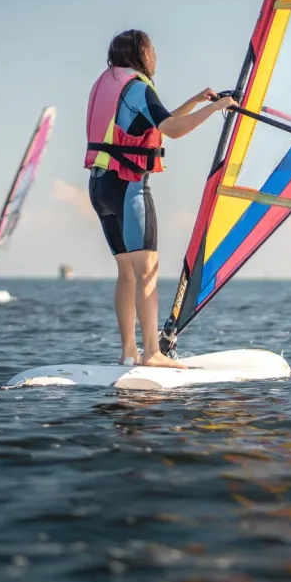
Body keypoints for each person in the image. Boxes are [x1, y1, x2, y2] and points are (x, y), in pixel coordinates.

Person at [84, 29, 236, 368]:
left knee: (127, 272)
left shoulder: (107, 83)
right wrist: (218, 108)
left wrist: (197, 101)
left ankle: (129, 353)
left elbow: (154, 123)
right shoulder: (138, 87)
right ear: (141, 53)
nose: (155, 55)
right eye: (151, 49)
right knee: (147, 271)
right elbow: (173, 130)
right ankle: (152, 353)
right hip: (128, 187)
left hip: (100, 186)